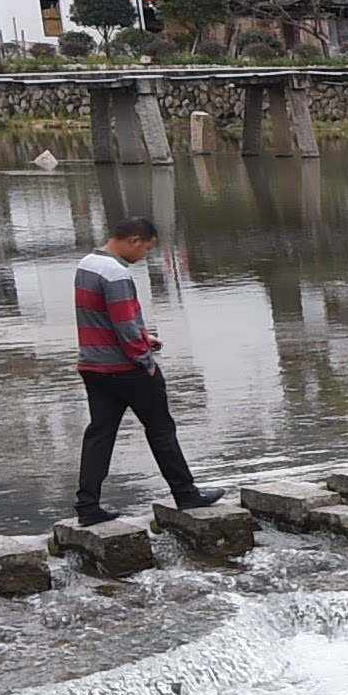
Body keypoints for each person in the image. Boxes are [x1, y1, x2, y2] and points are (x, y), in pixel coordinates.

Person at [72, 217, 218, 522]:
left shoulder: (87, 263)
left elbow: (100, 318)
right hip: (127, 369)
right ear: (134, 240)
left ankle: (87, 507)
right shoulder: (116, 273)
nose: (145, 256)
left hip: (93, 367)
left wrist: (143, 337)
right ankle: (186, 495)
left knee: (99, 434)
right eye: (147, 249)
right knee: (161, 430)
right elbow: (124, 323)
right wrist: (145, 360)